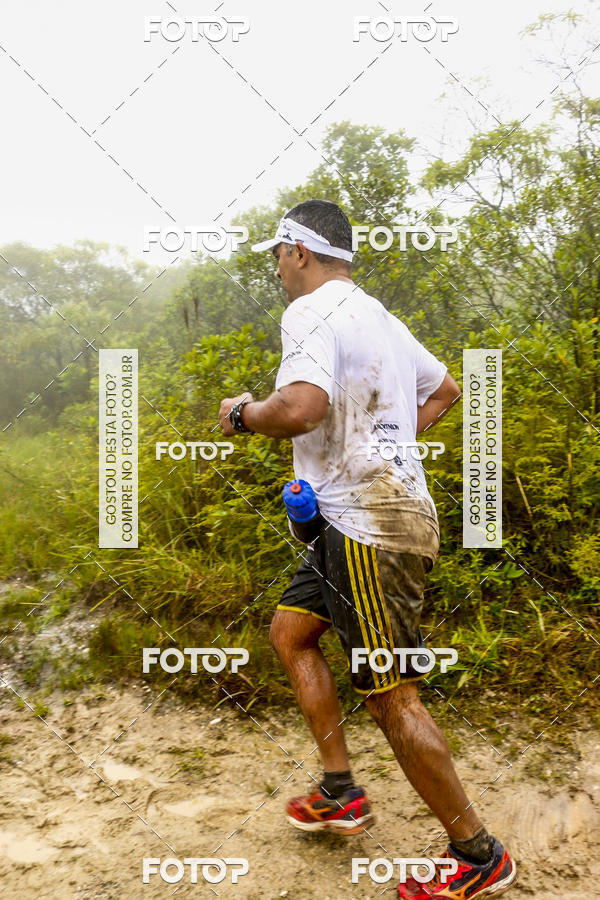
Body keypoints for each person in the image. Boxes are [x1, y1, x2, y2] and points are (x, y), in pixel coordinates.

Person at [219, 199, 517, 898]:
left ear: (298, 251)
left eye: (278, 255)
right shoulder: (378, 316)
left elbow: (300, 408)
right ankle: (340, 791)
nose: (277, 269)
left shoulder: (309, 311)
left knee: (390, 696)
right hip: (349, 520)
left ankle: (478, 854)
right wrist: (387, 448)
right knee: (292, 633)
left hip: (371, 528)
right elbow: (444, 390)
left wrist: (242, 414)